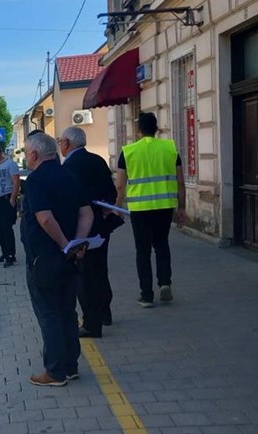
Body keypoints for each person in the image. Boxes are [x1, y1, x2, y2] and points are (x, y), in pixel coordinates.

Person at [20, 132, 93, 387]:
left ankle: (54, 372)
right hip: (69, 259)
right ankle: (71, 366)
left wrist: (64, 245)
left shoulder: (35, 180)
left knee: (49, 314)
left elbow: (45, 219)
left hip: (44, 258)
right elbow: (86, 213)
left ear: (34, 154)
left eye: (26, 153)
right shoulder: (70, 175)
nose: (26, 158)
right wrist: (78, 244)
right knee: (67, 312)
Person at [115, 112, 186, 308]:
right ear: (157, 129)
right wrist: (182, 208)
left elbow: (120, 185)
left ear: (138, 131)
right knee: (162, 245)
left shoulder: (128, 151)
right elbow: (180, 180)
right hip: (164, 207)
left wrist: (118, 207)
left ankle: (146, 295)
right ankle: (165, 283)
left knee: (143, 251)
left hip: (140, 209)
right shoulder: (170, 148)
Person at [59, 127, 117, 337]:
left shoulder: (69, 166)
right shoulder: (97, 160)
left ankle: (92, 323)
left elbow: (70, 200)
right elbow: (112, 191)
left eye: (60, 142)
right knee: (101, 269)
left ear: (67, 142)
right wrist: (105, 210)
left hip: (82, 228)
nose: (60, 146)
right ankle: (105, 313)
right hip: (102, 225)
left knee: (85, 275)